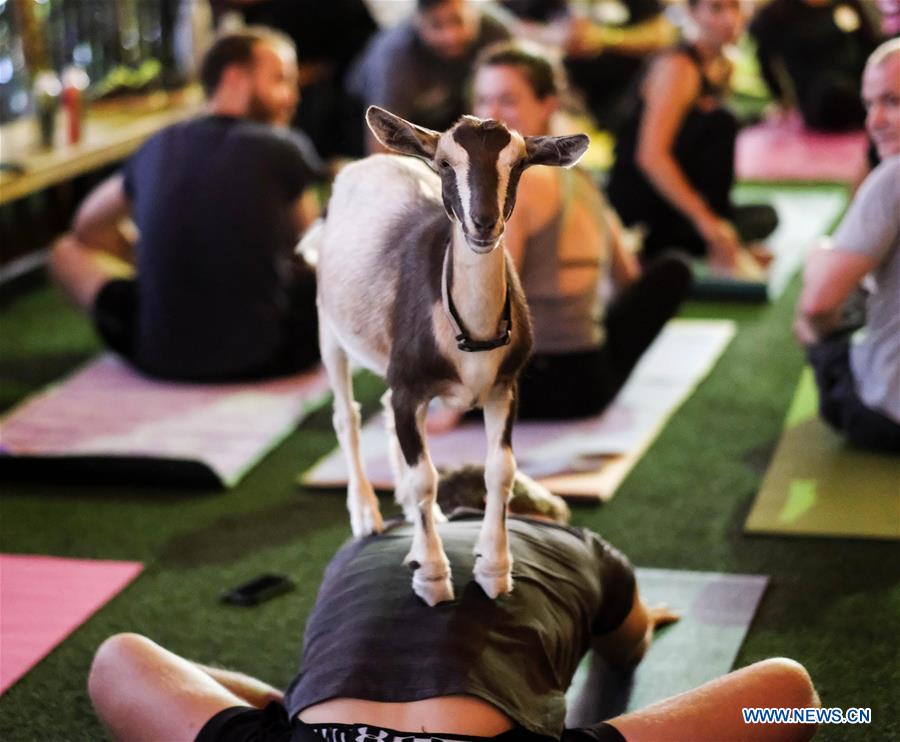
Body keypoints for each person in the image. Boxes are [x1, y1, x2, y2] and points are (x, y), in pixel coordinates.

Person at [87, 470, 821, 742]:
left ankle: (281, 715)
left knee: (117, 657)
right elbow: (626, 651)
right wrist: (630, 624)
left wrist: (280, 713)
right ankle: (854, 720)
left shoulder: (367, 545)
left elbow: (126, 662)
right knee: (794, 693)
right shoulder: (582, 549)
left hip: (325, 735)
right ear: (545, 522)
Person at [49, 28, 323, 382]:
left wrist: (148, 257)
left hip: (157, 357)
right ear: (235, 78)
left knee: (63, 251)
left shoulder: (157, 144)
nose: (293, 96)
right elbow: (315, 250)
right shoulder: (282, 146)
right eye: (281, 80)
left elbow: (86, 227)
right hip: (267, 356)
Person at [467, 43, 691, 421]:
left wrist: (458, 400)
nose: (490, 117)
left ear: (547, 105)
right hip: (591, 377)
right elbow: (628, 280)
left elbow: (491, 303)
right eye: (482, 100)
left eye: (507, 101)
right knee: (673, 269)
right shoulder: (581, 175)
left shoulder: (516, 184)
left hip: (532, 387)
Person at [606, 0, 777, 270]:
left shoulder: (723, 66)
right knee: (722, 122)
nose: (729, 19)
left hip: (682, 197)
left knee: (767, 215)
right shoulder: (677, 67)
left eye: (735, 8)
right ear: (693, 14)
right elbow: (650, 156)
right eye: (716, 9)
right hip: (644, 201)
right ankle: (671, 242)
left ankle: (706, 236)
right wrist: (706, 221)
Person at [793, 39, 900, 453]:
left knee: (818, 262)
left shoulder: (892, 179)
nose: (874, 120)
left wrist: (815, 332)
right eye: (870, 103)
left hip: (883, 419)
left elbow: (819, 307)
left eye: (892, 101)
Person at [345, 0, 510, 152]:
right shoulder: (396, 55)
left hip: (449, 106)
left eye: (458, 21)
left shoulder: (495, 32)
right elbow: (383, 139)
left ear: (473, 14)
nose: (450, 37)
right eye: (436, 25)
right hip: (364, 114)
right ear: (418, 22)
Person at [749, 0, 880, 132]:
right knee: (834, 90)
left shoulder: (847, 3)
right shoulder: (778, 13)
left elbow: (870, 43)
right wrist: (780, 98)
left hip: (861, 84)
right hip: (819, 98)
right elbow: (764, 59)